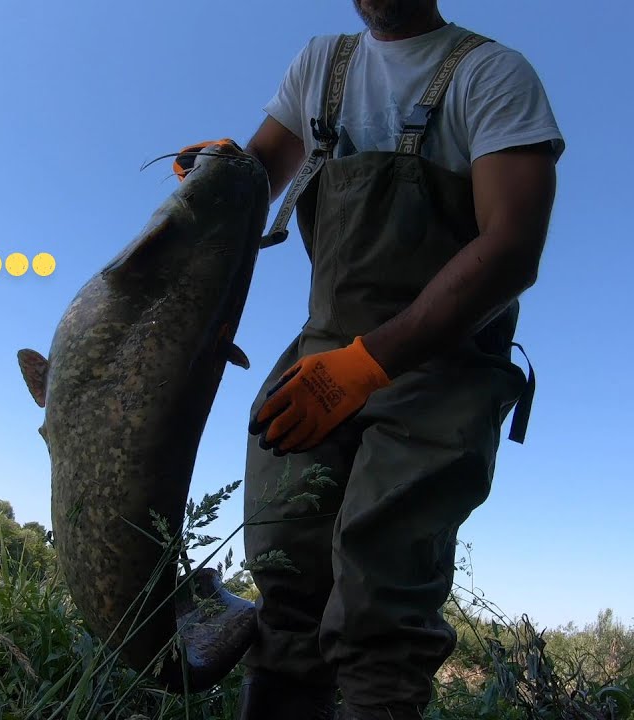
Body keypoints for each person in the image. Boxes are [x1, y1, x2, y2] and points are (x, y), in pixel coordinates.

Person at [225, 1, 565, 718]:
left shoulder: (491, 74)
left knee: (381, 602)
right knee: (286, 580)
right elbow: (260, 172)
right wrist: (222, 176)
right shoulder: (323, 64)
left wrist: (370, 365)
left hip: (442, 366)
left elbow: (511, 248)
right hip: (321, 352)